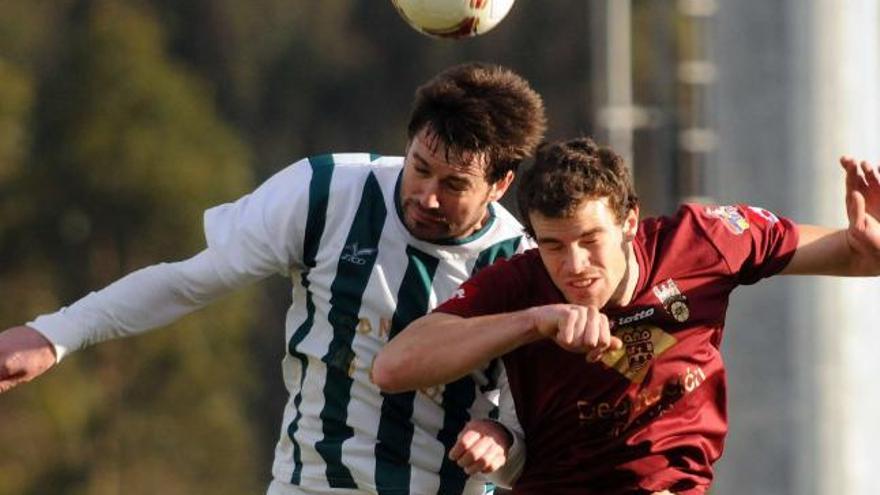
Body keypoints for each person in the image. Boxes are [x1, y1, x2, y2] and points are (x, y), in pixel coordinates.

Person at [0, 62, 547, 495]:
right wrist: (57, 334)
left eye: (454, 184)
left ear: (499, 184)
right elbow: (190, 281)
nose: (427, 194)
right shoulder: (327, 192)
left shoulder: (522, 264)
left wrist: (503, 438)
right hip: (308, 487)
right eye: (420, 166)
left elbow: (528, 426)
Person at [373, 137, 880, 494]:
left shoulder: (705, 242)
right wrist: (534, 321)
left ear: (629, 221)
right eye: (552, 245)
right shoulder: (521, 284)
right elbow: (393, 367)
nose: (574, 266)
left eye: (589, 241)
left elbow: (859, 255)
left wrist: (872, 239)